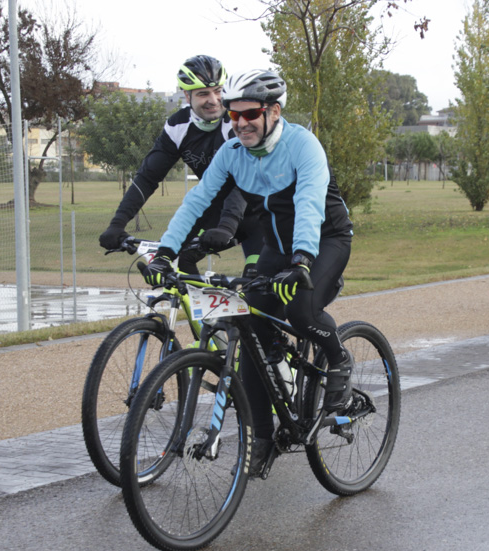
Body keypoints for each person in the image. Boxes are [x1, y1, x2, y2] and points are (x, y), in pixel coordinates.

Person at [143, 69, 355, 476]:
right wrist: (166, 253)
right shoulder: (233, 153)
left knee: (302, 312)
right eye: (233, 115)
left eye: (251, 114)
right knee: (250, 326)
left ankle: (337, 357)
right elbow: (195, 201)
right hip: (277, 246)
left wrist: (302, 262)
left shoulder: (302, 146)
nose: (240, 124)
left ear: (273, 111)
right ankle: (262, 439)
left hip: (324, 239)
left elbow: (309, 204)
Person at [97, 55, 260, 273]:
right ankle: (199, 307)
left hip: (260, 210)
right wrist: (117, 224)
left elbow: (243, 182)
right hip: (218, 208)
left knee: (258, 285)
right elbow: (147, 178)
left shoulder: (236, 122)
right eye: (203, 93)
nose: (213, 100)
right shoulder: (178, 127)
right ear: (187, 95)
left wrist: (227, 226)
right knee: (179, 261)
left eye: (218, 91)